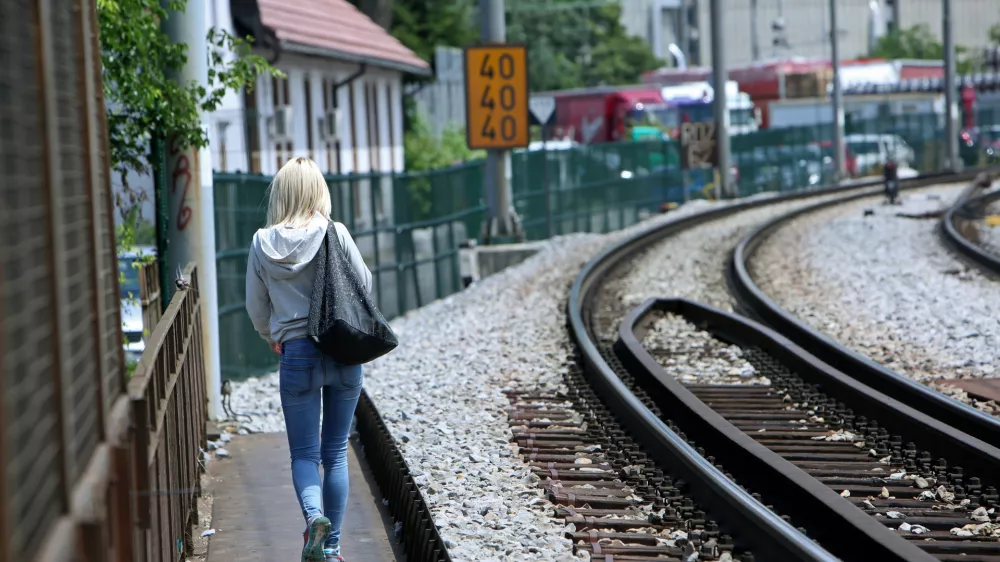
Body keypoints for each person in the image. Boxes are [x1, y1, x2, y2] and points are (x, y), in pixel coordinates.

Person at [245, 157, 373, 562]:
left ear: (280, 194)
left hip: (296, 353)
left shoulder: (262, 242)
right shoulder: (336, 232)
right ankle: (332, 549)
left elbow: (255, 306)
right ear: (319, 191)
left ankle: (314, 516)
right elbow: (364, 283)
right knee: (335, 453)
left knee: (304, 455)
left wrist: (272, 335)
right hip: (341, 348)